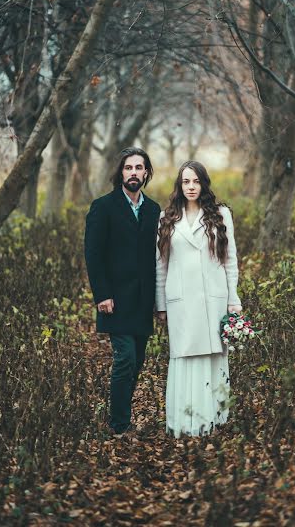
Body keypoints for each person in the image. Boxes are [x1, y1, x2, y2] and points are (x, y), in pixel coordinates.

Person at [156, 160, 242, 437]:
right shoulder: (166, 217)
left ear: (204, 183)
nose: (191, 187)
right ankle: (183, 423)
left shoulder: (221, 214)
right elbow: (160, 265)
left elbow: (231, 261)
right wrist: (160, 305)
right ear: (179, 186)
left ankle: (214, 420)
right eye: (186, 182)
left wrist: (233, 299)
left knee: (212, 357)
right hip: (180, 301)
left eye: (196, 181)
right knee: (184, 357)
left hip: (213, 300)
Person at [85, 148, 161, 435]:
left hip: (142, 301)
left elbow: (158, 257)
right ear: (120, 173)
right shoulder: (102, 206)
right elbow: (93, 254)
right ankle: (119, 425)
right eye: (128, 167)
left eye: (139, 168)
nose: (133, 172)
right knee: (125, 357)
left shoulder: (154, 209)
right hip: (114, 300)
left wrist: (160, 300)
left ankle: (121, 414)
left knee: (138, 361)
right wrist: (102, 294)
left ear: (146, 173)